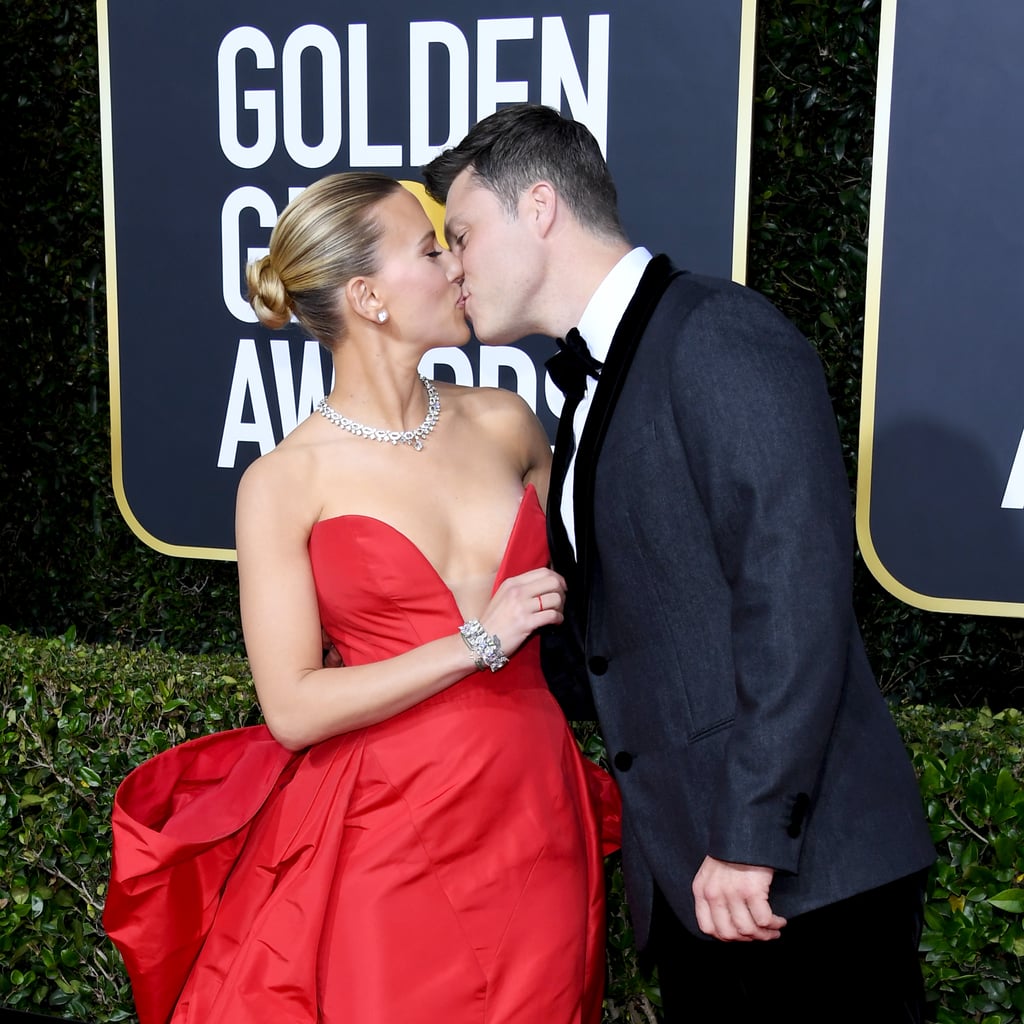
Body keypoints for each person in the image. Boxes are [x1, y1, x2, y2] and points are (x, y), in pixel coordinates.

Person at [424, 104, 937, 1024]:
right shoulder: (584, 393)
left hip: (795, 877)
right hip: (695, 881)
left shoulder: (716, 332)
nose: (453, 265)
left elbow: (795, 597)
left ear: (538, 205)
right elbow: (623, 648)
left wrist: (749, 837)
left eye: (461, 234)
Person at [102, 172, 620, 1024]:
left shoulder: (510, 423)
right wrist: (475, 642)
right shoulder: (284, 481)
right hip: (391, 831)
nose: (458, 265)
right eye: (431, 249)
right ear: (368, 297)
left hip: (537, 821)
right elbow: (294, 709)